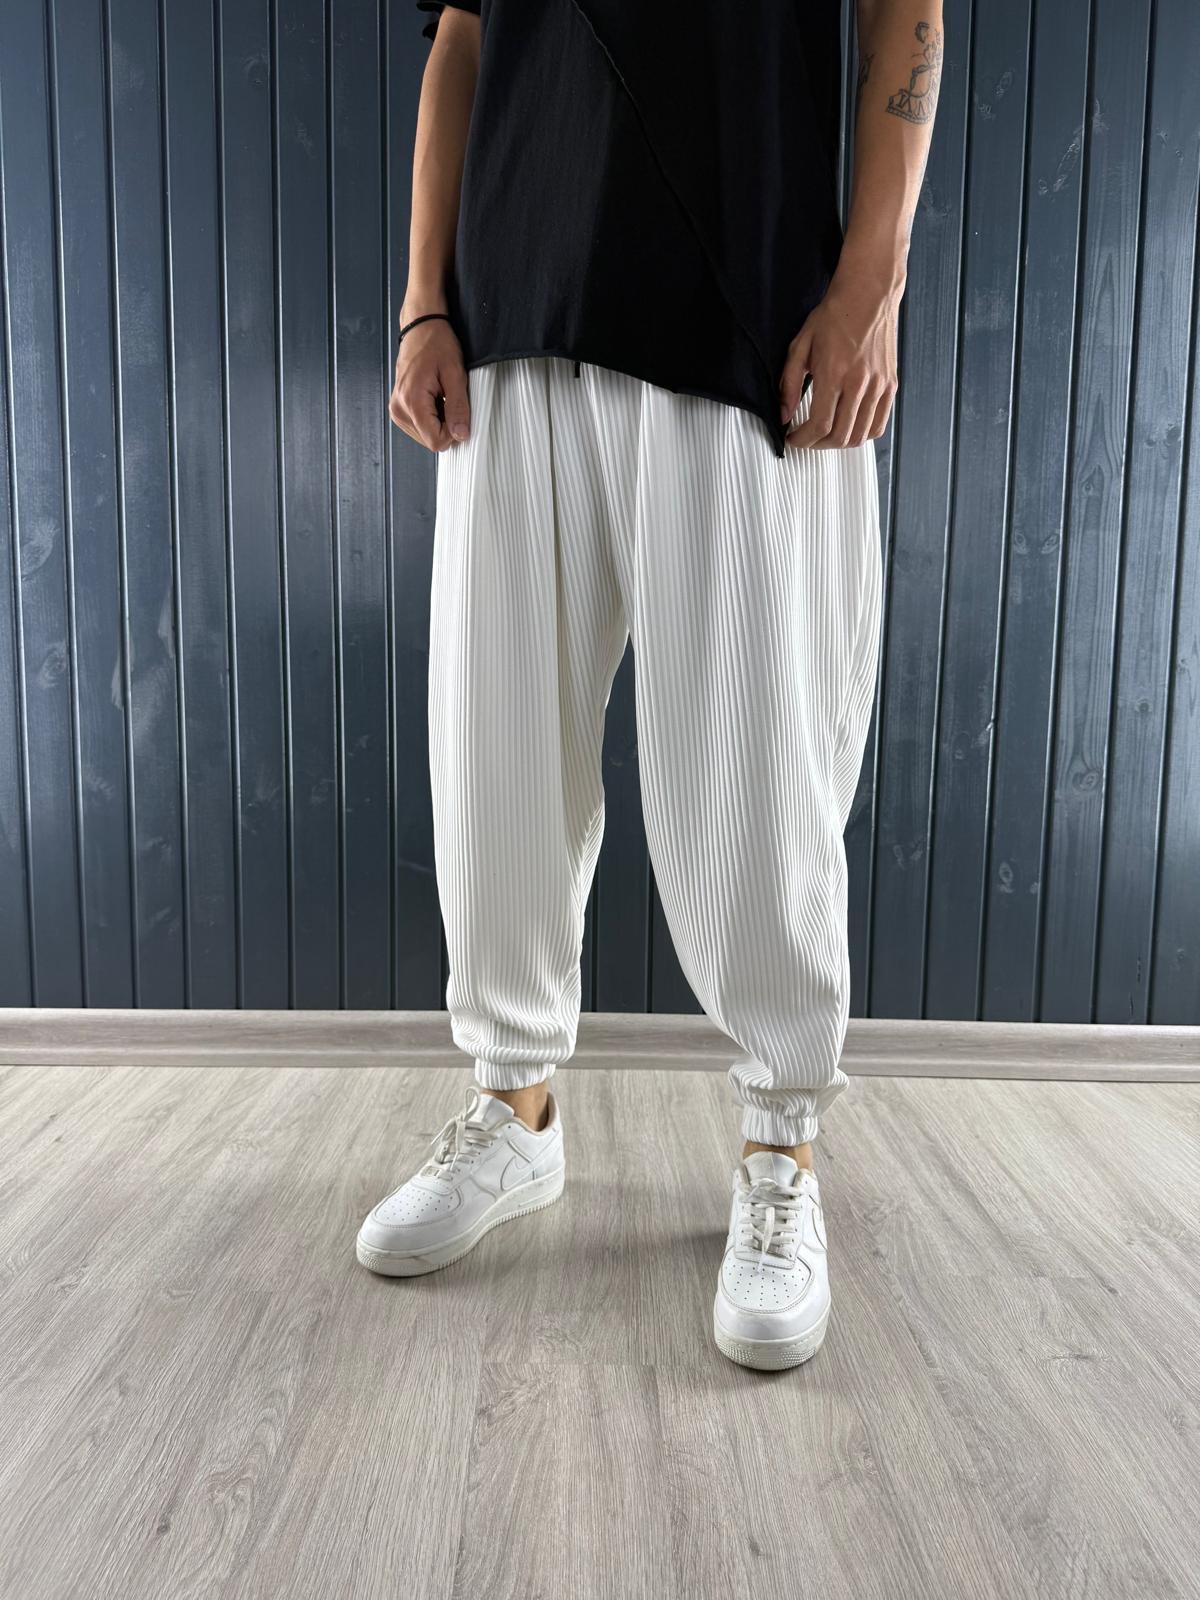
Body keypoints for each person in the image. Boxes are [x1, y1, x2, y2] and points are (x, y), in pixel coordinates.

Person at [357, 0, 943, 1371]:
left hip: (741, 303)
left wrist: (871, 283)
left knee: (756, 768)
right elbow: (464, 37)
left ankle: (782, 1146)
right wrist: (426, 294)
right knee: (495, 755)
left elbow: (906, 12)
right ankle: (514, 1113)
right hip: (510, 312)